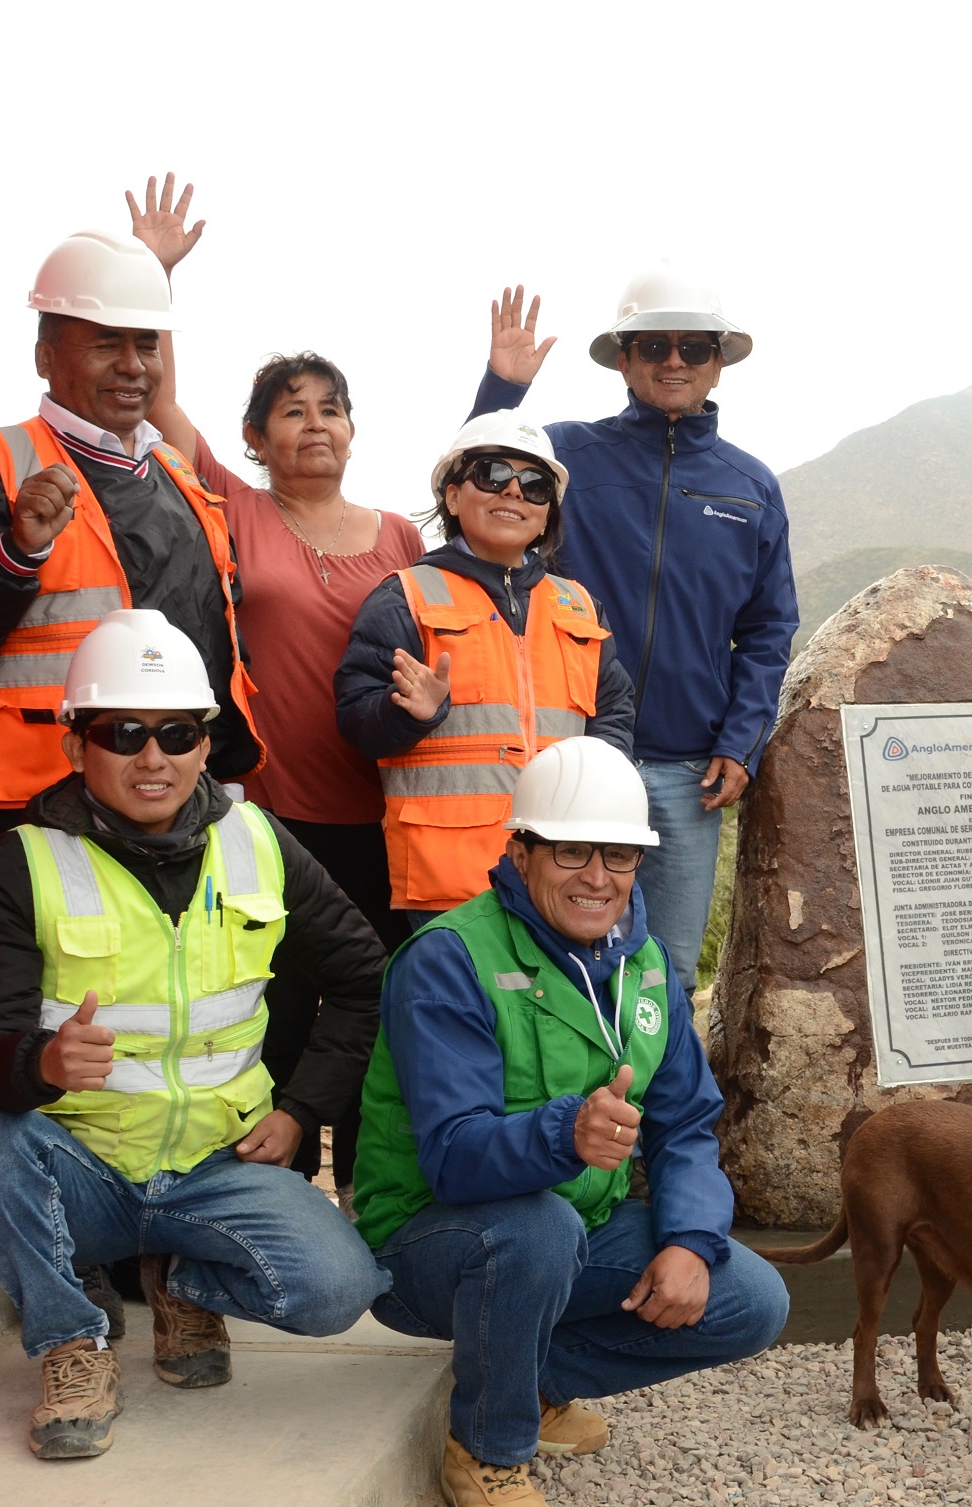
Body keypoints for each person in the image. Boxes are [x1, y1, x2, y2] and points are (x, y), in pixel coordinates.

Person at [0, 610, 390, 1460]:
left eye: (177, 733)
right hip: (88, 1168)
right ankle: (73, 1340)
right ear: (77, 745)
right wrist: (42, 1063)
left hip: (220, 1167)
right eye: (123, 733)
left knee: (336, 1290)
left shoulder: (259, 840)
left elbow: (367, 980)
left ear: (205, 744)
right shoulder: (22, 862)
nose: (154, 757)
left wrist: (301, 1110)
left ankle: (182, 1280)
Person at [353, 736, 791, 1507]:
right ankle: (488, 1446)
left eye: (618, 853)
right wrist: (568, 1132)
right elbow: (451, 1155)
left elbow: (686, 1121)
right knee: (537, 1228)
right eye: (571, 850)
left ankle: (531, 1375)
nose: (598, 875)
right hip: (429, 1241)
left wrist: (692, 1240)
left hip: (567, 1226)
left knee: (749, 1298)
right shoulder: (449, 960)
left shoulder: (649, 966)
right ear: (520, 851)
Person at [121, 175, 429, 1194]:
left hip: (388, 810)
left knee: (380, 1003)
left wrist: (502, 391)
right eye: (290, 412)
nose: (315, 425)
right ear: (256, 437)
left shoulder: (396, 534)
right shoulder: (239, 510)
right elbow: (160, 403)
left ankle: (365, 1193)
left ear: (354, 429)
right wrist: (154, 275)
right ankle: (278, 1195)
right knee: (287, 1005)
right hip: (282, 812)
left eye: (331, 409)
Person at [471, 272, 798, 980]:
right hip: (572, 749)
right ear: (624, 357)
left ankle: (655, 1094)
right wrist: (502, 388)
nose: (673, 360)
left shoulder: (751, 486)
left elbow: (770, 629)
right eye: (653, 344)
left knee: (667, 967)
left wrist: (741, 741)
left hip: (690, 771)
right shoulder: (568, 456)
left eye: (692, 346)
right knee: (547, 956)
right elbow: (479, 473)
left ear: (719, 361)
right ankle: (571, 1095)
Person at [0, 228, 263, 851]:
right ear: (45, 358)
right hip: (50, 808)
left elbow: (213, 634)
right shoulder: (0, 463)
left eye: (146, 345)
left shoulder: (176, 473)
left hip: (184, 794)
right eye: (105, 344)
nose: (132, 365)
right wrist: (16, 555)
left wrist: (219, 768)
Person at [336, 414, 636, 926]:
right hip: (448, 880)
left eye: (536, 485)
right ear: (453, 498)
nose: (515, 491)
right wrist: (411, 714)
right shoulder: (405, 596)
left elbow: (614, 711)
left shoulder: (579, 605)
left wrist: (596, 786)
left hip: (561, 869)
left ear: (547, 516)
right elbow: (356, 720)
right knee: (457, 1005)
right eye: (493, 474)